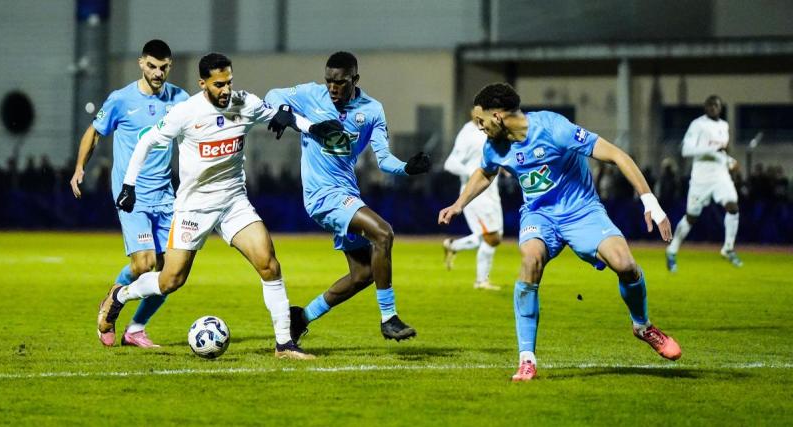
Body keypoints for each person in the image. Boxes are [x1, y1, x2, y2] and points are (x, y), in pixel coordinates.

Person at [97, 53, 341, 359]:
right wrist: (129, 185)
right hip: (194, 208)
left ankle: (284, 345)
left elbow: (282, 116)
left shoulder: (245, 103)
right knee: (170, 280)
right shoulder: (186, 112)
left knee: (269, 263)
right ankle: (120, 295)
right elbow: (146, 140)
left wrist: (310, 128)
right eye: (218, 84)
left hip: (233, 202)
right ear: (203, 84)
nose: (226, 90)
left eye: (229, 82)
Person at [438, 83, 681, 382]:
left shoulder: (554, 128)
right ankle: (527, 358)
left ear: (498, 116)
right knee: (530, 261)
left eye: (481, 120)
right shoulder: (495, 147)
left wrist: (650, 202)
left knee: (626, 265)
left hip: (583, 211)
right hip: (539, 216)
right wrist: (459, 204)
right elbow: (486, 172)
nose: (479, 127)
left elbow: (617, 155)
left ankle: (643, 326)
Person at [264, 51, 431, 344]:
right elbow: (272, 94)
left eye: (340, 82)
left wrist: (406, 168)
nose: (332, 88)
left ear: (355, 79)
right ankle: (389, 318)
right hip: (321, 195)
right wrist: (283, 111)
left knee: (364, 273)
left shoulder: (372, 111)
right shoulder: (310, 95)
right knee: (383, 233)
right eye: (328, 81)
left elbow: (384, 160)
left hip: (347, 192)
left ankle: (300, 318)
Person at [70, 40, 189, 348]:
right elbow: (95, 132)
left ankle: (136, 329)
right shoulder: (121, 100)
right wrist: (80, 167)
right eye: (152, 65)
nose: (158, 72)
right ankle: (113, 299)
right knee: (143, 264)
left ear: (170, 66)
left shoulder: (180, 99)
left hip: (166, 196)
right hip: (131, 193)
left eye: (163, 67)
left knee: (172, 273)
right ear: (141, 63)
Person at [665, 95, 742, 272]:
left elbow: (721, 152)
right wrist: (713, 149)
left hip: (720, 175)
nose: (713, 107)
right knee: (691, 217)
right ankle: (672, 250)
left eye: (716, 105)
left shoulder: (724, 126)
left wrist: (730, 161)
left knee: (733, 206)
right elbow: (685, 150)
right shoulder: (697, 124)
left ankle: (728, 248)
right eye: (710, 105)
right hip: (701, 177)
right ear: (705, 107)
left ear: (720, 108)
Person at [442, 118, 503, 291]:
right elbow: (450, 163)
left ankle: (453, 245)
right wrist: (473, 173)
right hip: (476, 191)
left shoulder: (494, 130)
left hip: (492, 190)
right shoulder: (469, 132)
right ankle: (481, 281)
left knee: (493, 235)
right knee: (492, 237)